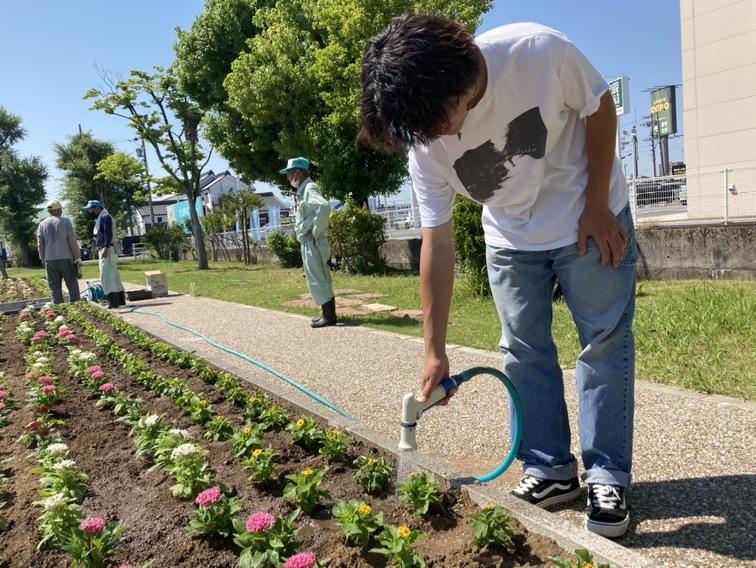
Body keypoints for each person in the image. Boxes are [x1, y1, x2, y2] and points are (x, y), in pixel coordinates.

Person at [359, 15, 636, 538]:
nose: (438, 136)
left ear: (460, 75)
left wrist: (597, 204)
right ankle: (550, 468)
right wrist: (434, 350)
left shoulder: (536, 51)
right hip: (512, 238)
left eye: (441, 118)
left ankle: (608, 476)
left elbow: (599, 107)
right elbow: (437, 244)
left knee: (603, 341)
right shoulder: (424, 139)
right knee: (522, 349)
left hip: (588, 210)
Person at [279, 157, 337, 328]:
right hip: (311, 242)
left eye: (289, 174)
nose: (288, 178)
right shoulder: (304, 191)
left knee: (319, 278)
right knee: (318, 277)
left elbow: (324, 207)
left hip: (314, 242)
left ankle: (329, 316)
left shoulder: (309, 188)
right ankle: (327, 314)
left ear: (298, 173)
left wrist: (315, 230)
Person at [36, 200, 82, 304]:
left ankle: (59, 306)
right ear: (58, 210)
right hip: (66, 257)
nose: (61, 211)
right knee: (71, 283)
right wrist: (77, 256)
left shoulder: (42, 224)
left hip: (50, 259)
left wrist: (42, 258)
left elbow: (40, 244)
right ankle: (76, 305)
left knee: (54, 285)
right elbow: (72, 240)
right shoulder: (65, 221)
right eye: (61, 209)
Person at [83, 199, 125, 309]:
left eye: (90, 209)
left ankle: (112, 303)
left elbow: (108, 233)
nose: (90, 212)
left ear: (97, 208)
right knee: (114, 275)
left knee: (106, 276)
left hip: (107, 248)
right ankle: (120, 301)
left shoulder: (105, 217)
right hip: (109, 248)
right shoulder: (102, 216)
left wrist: (106, 247)